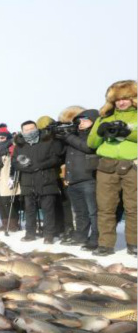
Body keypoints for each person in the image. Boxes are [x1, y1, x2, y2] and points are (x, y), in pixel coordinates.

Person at [88, 79, 137, 256]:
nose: (121, 103)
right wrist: (100, 130)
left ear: (133, 98)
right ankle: (105, 245)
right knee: (105, 208)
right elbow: (91, 143)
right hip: (106, 167)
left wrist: (128, 133)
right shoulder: (104, 117)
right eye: (117, 100)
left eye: (125, 98)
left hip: (132, 166)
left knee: (134, 207)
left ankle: (134, 243)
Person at [54, 107, 99, 250]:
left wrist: (68, 137)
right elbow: (61, 154)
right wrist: (58, 137)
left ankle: (96, 239)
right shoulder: (74, 135)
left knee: (93, 212)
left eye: (85, 120)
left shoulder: (95, 135)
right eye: (79, 120)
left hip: (89, 179)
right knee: (80, 212)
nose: (81, 123)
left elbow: (88, 147)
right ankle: (80, 236)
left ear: (94, 121)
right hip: (73, 179)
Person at [12, 120, 63, 244]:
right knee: (29, 210)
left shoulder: (47, 140)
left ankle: (49, 235)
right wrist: (25, 167)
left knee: (48, 209)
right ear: (22, 132)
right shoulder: (19, 145)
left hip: (46, 180)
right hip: (27, 181)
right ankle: (30, 233)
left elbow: (56, 159)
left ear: (37, 128)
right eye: (26, 130)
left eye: (32, 129)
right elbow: (14, 162)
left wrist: (39, 166)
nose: (30, 131)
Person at [0, 124, 21, 232]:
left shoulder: (12, 148)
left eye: (2, 138)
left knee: (8, 203)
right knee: (0, 202)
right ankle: (5, 223)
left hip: (7, 179)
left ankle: (13, 224)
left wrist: (12, 176)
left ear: (8, 137)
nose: (0, 140)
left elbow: (15, 163)